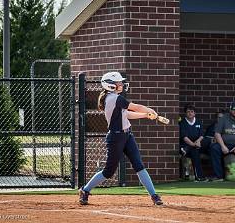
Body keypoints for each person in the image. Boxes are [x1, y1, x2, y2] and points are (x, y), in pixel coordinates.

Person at [78, 72, 163, 205]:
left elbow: (126, 114)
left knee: (139, 166)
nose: (121, 84)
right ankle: (85, 190)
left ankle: (154, 195)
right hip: (116, 138)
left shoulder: (116, 98)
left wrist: (145, 115)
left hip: (127, 135)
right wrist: (150, 110)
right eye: (118, 82)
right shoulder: (113, 98)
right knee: (108, 172)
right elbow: (135, 107)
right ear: (110, 86)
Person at [179, 104, 210, 182]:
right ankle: (200, 177)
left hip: (197, 143)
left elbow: (202, 135)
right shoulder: (182, 123)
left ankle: (185, 150)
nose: (190, 113)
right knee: (194, 151)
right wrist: (193, 145)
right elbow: (184, 137)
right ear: (185, 113)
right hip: (188, 144)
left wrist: (198, 141)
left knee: (207, 142)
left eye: (192, 111)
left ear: (194, 113)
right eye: (188, 112)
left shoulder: (198, 122)